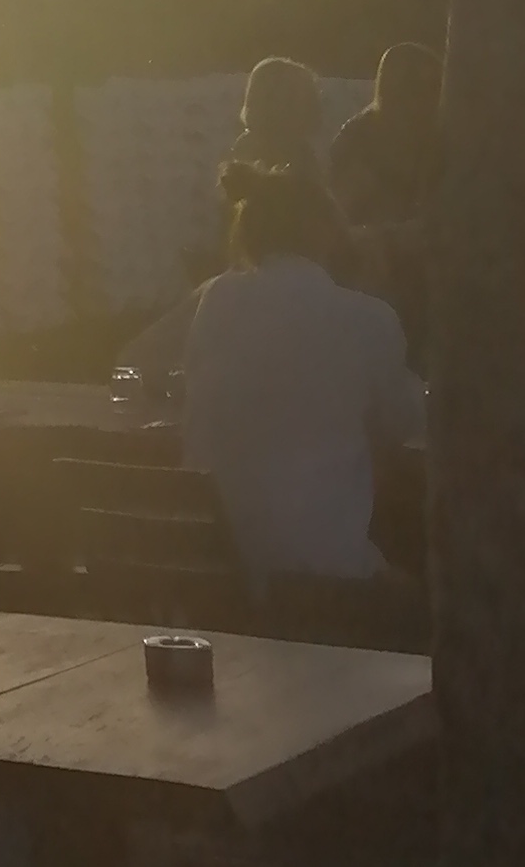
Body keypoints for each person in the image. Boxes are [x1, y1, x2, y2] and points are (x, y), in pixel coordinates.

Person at [181, 156, 424, 585]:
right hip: (327, 576)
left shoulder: (217, 300)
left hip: (228, 572)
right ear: (325, 231)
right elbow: (406, 421)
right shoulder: (367, 318)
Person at [328, 39, 441, 231]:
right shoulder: (360, 135)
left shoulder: (435, 136)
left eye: (435, 86)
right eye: (419, 87)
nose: (430, 96)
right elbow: (343, 205)